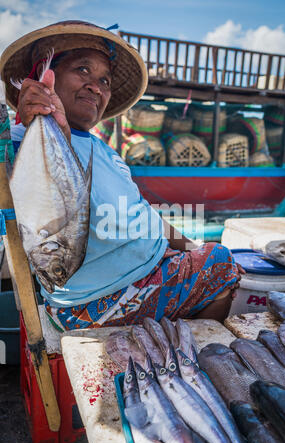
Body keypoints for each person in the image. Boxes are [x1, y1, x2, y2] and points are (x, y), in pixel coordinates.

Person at [0, 20, 244, 331]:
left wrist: (189, 247)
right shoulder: (20, 142)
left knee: (209, 254)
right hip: (97, 301)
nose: (96, 86)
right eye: (83, 70)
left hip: (148, 271)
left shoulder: (106, 151)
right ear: (48, 77)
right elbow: (11, 193)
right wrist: (40, 123)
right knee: (219, 263)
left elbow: (143, 216)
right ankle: (186, 356)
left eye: (105, 80)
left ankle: (175, 345)